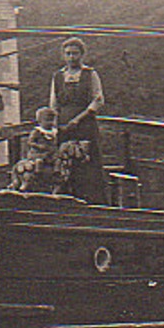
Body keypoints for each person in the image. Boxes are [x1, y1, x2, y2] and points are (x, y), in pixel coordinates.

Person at [49, 37, 108, 203]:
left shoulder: (90, 74)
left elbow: (98, 100)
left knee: (87, 161)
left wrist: (79, 119)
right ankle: (66, 199)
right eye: (68, 54)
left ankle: (92, 201)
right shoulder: (58, 76)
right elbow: (53, 103)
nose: (71, 57)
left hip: (85, 123)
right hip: (64, 125)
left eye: (75, 53)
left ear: (82, 55)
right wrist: (54, 126)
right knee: (65, 161)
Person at [11, 106, 62, 192]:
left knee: (58, 161)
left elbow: (56, 142)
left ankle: (56, 174)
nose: (50, 123)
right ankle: (38, 176)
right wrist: (39, 146)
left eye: (52, 120)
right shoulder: (38, 131)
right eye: (47, 120)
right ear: (40, 121)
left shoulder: (54, 131)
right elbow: (30, 142)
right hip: (39, 153)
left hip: (50, 153)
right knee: (39, 161)